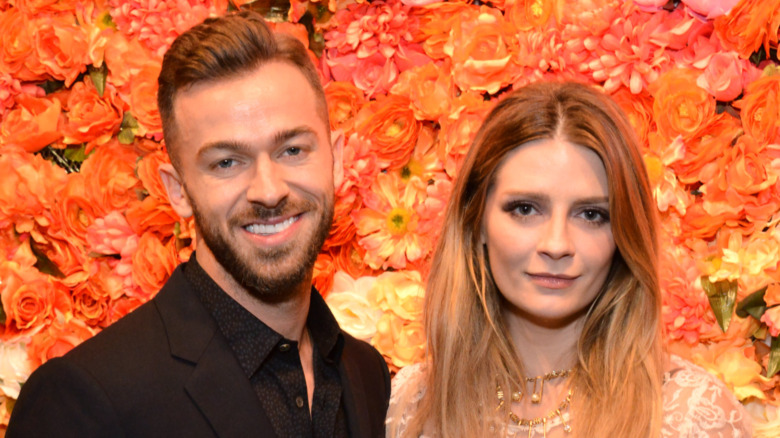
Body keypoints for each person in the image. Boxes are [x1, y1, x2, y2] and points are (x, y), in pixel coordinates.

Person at [8, 11, 390, 438]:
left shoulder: (364, 373)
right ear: (178, 191)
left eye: (293, 150)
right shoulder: (86, 398)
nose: (268, 189)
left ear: (336, 161)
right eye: (227, 162)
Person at [385, 81, 752, 437]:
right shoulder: (413, 403)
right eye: (525, 209)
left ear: (624, 235)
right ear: (476, 221)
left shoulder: (692, 416)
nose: (557, 244)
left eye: (591, 215)